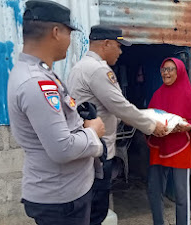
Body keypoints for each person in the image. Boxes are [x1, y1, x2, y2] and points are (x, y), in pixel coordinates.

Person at [7, 1, 105, 224]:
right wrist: (93, 132)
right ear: (56, 32)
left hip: (65, 194)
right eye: (69, 33)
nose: (70, 41)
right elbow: (62, 148)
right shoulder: (36, 82)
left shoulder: (39, 73)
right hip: (62, 202)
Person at [67, 25, 168, 225]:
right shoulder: (98, 70)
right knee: (97, 211)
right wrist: (151, 126)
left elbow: (109, 109)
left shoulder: (80, 67)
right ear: (106, 44)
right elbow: (120, 107)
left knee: (88, 209)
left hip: (86, 148)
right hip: (99, 151)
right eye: (119, 46)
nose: (121, 52)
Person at [147, 58, 191, 225]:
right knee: (155, 190)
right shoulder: (157, 94)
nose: (166, 73)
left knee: (181, 194)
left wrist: (187, 128)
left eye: (170, 69)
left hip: (180, 148)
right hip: (159, 146)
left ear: (178, 71)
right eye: (164, 69)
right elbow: (149, 117)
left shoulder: (188, 94)